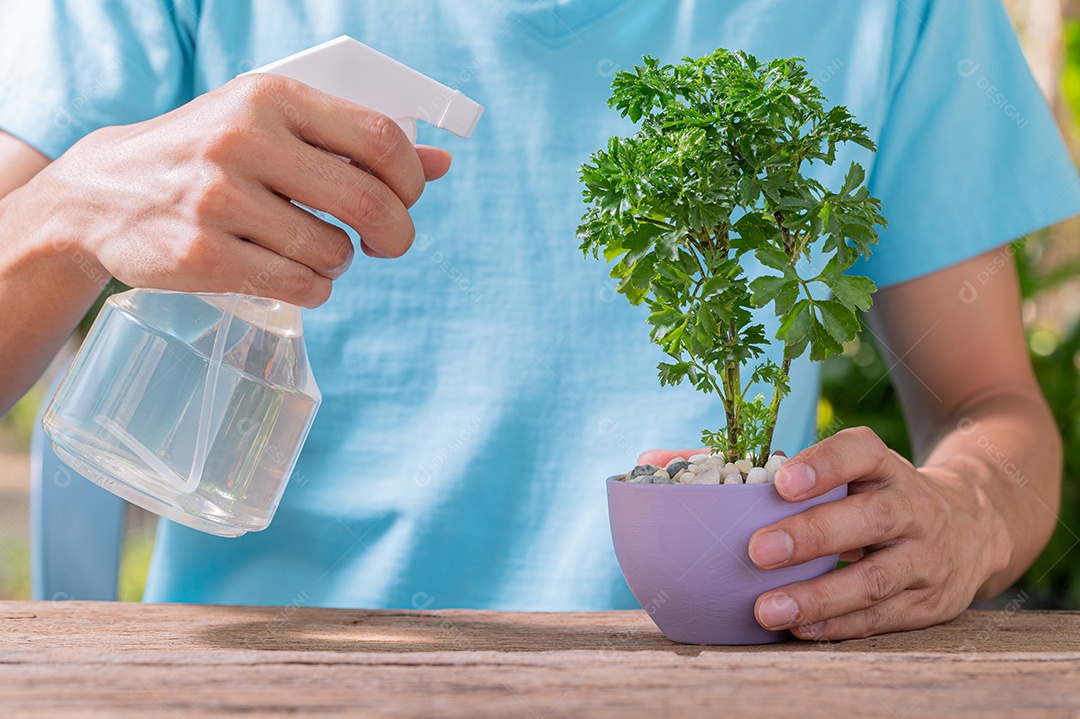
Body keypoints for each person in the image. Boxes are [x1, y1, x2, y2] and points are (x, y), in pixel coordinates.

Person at [0, 0, 1075, 640]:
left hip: (709, 682)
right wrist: (66, 212)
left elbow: (991, 407)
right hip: (277, 679)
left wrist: (969, 509)